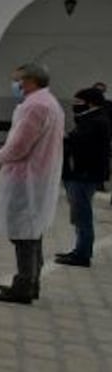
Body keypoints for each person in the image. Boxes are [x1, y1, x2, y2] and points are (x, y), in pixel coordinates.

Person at [0, 64, 65, 305]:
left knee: (24, 234)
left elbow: (20, 145)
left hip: (27, 178)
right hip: (38, 175)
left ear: (30, 80)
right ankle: (32, 282)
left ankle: (23, 285)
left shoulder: (35, 106)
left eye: (17, 80)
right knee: (32, 231)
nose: (15, 85)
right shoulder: (50, 103)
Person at [57, 88, 111, 268]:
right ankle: (79, 250)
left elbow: (81, 145)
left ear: (91, 103)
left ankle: (82, 254)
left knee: (82, 214)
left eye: (78, 102)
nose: (74, 106)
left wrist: (66, 138)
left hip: (83, 174)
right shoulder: (91, 119)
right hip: (81, 173)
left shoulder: (96, 122)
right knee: (79, 213)